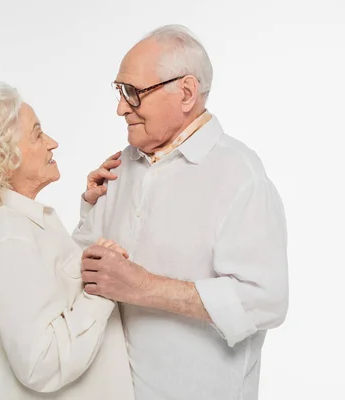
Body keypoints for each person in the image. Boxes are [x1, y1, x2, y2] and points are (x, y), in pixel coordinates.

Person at [74, 24, 289, 400]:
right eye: (120, 91)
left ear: (186, 93)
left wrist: (143, 287)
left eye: (133, 93)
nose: (121, 107)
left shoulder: (239, 175)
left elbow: (266, 300)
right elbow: (84, 267)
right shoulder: (120, 167)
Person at [0, 83, 134, 400]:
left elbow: (49, 283)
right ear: (3, 156)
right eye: (37, 134)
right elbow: (42, 363)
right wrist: (103, 293)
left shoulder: (2, 221)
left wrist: (91, 209)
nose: (52, 143)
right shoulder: (9, 236)